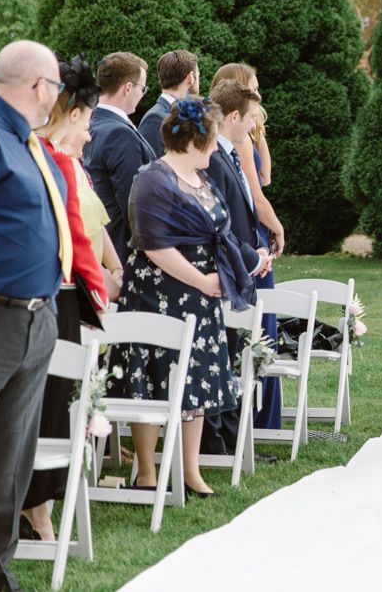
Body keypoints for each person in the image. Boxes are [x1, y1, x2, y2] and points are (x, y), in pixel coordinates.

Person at [106, 96, 271, 497]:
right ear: (194, 141)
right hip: (157, 292)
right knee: (148, 378)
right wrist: (201, 280)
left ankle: (190, 470)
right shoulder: (152, 178)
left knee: (197, 379)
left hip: (202, 296)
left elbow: (221, 231)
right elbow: (152, 245)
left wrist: (246, 261)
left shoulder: (204, 179)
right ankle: (146, 471)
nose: (216, 148)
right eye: (212, 141)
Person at [0, 40, 67, 592]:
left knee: (9, 465)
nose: (56, 99)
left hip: (37, 321)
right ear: (39, 86)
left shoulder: (32, 144)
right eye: (56, 87)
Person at [21, 54, 111, 541]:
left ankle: (36, 509)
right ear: (73, 113)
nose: (90, 134)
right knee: (48, 402)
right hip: (53, 297)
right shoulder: (50, 159)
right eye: (89, 121)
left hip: (67, 297)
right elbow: (73, 235)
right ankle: (36, 512)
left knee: (56, 401)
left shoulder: (60, 160)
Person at [210, 63, 283, 431]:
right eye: (253, 89)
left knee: (260, 328)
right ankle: (251, 422)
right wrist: (275, 229)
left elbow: (265, 175)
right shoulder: (226, 145)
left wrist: (258, 133)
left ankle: (257, 420)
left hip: (249, 242)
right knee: (252, 329)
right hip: (245, 243)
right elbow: (256, 194)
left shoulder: (244, 136)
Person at [201, 79, 268, 454]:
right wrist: (251, 257)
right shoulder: (214, 157)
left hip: (240, 265)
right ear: (233, 116)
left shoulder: (228, 154)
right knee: (225, 355)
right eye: (250, 118)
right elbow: (219, 223)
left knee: (235, 354)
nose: (252, 126)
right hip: (226, 269)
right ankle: (219, 441)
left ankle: (234, 438)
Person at [83, 52, 156, 263]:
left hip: (105, 247)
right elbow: (133, 203)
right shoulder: (119, 133)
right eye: (143, 88)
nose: (143, 94)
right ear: (127, 87)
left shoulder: (92, 123)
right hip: (126, 253)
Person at [138, 49, 200, 158]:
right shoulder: (155, 119)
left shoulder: (183, 113)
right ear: (190, 77)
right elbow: (151, 167)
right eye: (198, 75)